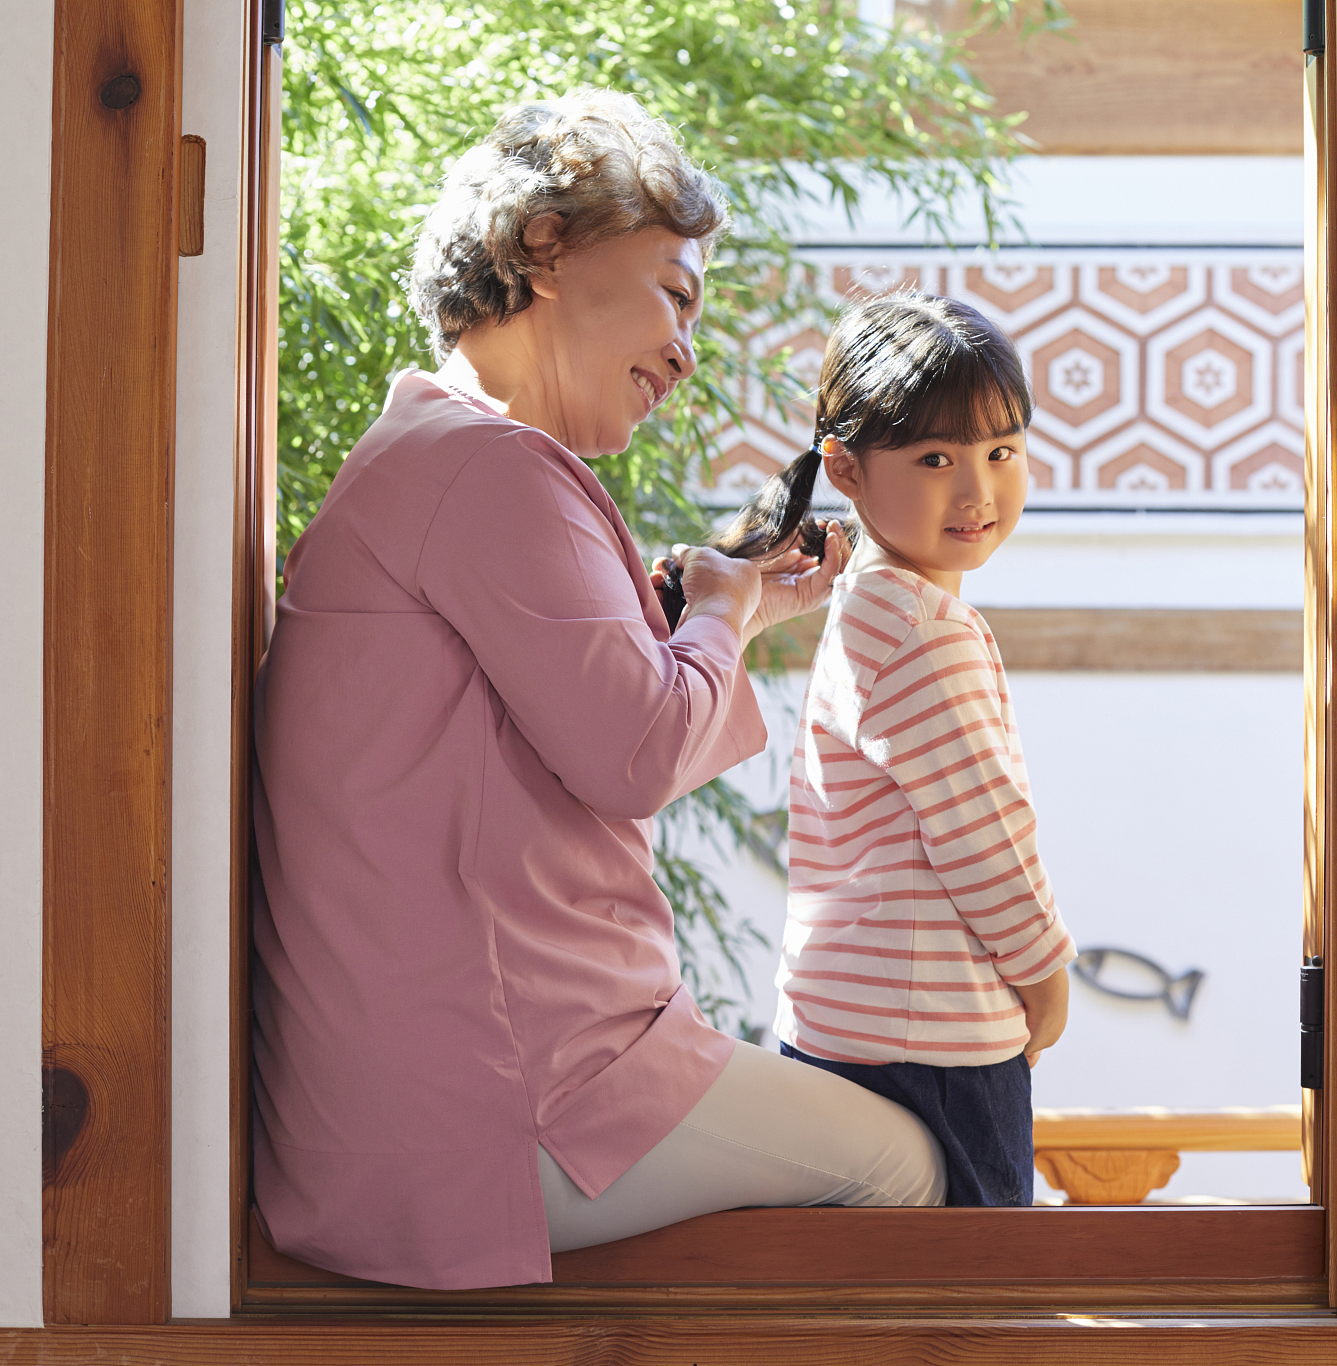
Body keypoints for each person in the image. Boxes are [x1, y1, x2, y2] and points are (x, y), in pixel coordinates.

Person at [249, 89, 945, 1293]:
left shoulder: (427, 451)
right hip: (497, 1099)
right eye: (676, 292)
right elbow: (635, 751)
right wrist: (723, 612)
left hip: (413, 1096)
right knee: (901, 1164)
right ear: (545, 249)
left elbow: (574, 714)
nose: (687, 349)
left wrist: (741, 608)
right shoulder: (493, 468)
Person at [704, 293, 1077, 1206]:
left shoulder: (872, 604)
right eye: (936, 458)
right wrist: (1045, 974)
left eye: (1002, 453)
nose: (977, 489)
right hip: (934, 1045)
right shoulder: (918, 628)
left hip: (847, 1025)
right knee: (976, 1317)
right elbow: (986, 830)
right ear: (848, 468)